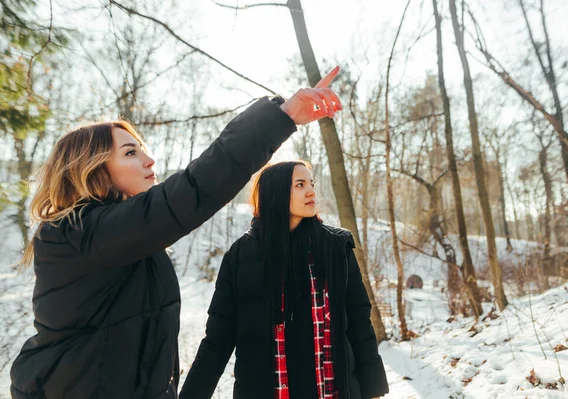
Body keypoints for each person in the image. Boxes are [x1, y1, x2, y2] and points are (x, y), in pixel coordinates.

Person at [10, 67, 343, 399]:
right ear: (92, 167)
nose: (149, 159)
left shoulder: (122, 240)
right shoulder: (80, 233)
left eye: (142, 148)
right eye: (130, 152)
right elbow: (193, 190)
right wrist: (281, 117)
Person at [179, 160, 389, 399]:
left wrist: (373, 389)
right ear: (275, 192)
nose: (311, 191)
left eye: (311, 183)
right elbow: (218, 339)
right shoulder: (241, 256)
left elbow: (359, 321)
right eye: (300, 185)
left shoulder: (335, 247)